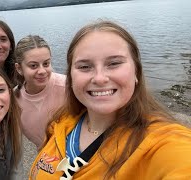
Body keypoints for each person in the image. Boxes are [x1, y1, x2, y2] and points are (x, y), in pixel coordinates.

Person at [29, 20, 191, 179]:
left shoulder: (161, 142)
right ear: (71, 77)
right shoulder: (60, 124)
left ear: (136, 72)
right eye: (85, 66)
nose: (99, 78)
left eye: (114, 63)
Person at [14, 35, 66, 148]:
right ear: (19, 68)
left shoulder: (67, 87)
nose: (42, 71)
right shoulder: (14, 100)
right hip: (46, 158)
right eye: (33, 66)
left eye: (46, 64)